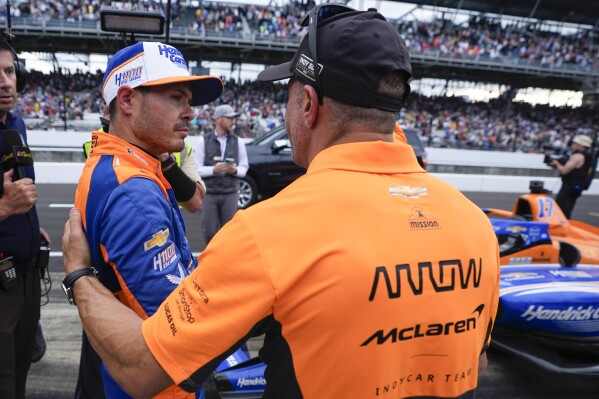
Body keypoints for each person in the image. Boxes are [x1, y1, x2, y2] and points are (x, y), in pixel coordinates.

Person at [62, 7, 500, 399]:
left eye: (287, 94)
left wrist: (79, 273)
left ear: (307, 104)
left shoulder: (266, 232)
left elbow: (143, 370)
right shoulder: (473, 223)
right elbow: (475, 363)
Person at [70, 40, 223, 399]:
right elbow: (179, 326)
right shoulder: (132, 191)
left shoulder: (120, 165)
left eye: (189, 101)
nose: (190, 112)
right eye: (176, 98)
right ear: (126, 100)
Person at [0, 37, 51, 399]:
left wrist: (30, 225)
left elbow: (18, 189)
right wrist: (4, 209)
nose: (4, 82)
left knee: (18, 376)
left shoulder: (16, 124)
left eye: (8, 71)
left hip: (26, 273)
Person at [196, 103, 248, 244]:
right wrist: (214, 170)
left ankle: (227, 264)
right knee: (209, 232)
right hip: (210, 193)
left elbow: (244, 167)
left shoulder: (239, 142)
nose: (233, 121)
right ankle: (211, 263)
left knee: (229, 233)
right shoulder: (203, 140)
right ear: (218, 119)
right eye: (230, 118)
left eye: (234, 118)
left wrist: (235, 170)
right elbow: (196, 168)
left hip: (230, 193)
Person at [550, 134, 595, 219]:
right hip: (577, 188)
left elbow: (564, 171)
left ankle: (561, 228)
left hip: (568, 187)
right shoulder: (589, 157)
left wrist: (556, 164)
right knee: (568, 208)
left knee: (561, 209)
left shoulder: (577, 156)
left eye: (575, 143)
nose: (573, 145)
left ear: (581, 145)